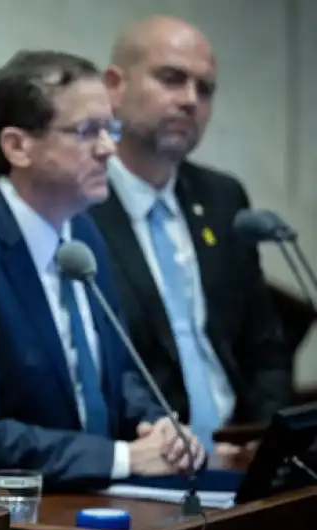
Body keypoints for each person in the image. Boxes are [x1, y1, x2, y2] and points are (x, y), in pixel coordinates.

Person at [0, 50, 206, 502]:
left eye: (110, 129)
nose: (108, 148)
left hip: (85, 493)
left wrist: (157, 426)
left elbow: (117, 372)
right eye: (87, 131)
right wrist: (122, 457)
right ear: (17, 147)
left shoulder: (82, 234)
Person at [89, 16, 293, 453]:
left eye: (205, 89)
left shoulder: (222, 198)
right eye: (171, 79)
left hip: (239, 448)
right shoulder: (77, 205)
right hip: (145, 455)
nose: (190, 100)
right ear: (114, 87)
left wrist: (266, 441)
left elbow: (265, 346)